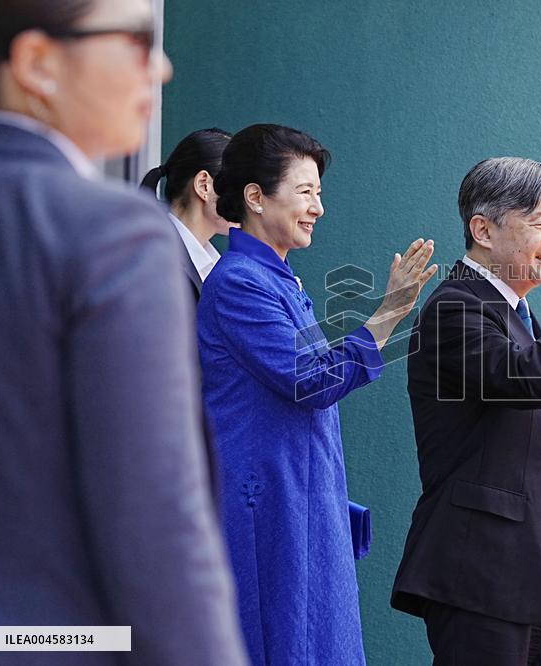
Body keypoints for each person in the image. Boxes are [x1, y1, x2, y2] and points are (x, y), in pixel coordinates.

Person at [0, 1, 248, 664]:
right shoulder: (108, 231)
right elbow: (154, 516)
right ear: (37, 63)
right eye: (136, 41)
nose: (162, 65)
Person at [200, 122, 437, 665]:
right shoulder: (240, 282)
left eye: (319, 194)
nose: (318, 208)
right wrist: (389, 312)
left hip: (301, 501)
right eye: (306, 192)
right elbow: (314, 381)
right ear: (256, 197)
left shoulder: (279, 279)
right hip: (270, 511)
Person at [392, 157, 541, 665]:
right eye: (540, 222)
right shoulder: (455, 305)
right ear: (483, 228)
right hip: (483, 576)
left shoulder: (522, 317)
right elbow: (521, 378)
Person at [140, 127, 236, 298]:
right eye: (240, 186)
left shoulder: (211, 264)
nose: (250, 201)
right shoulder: (156, 260)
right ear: (204, 185)